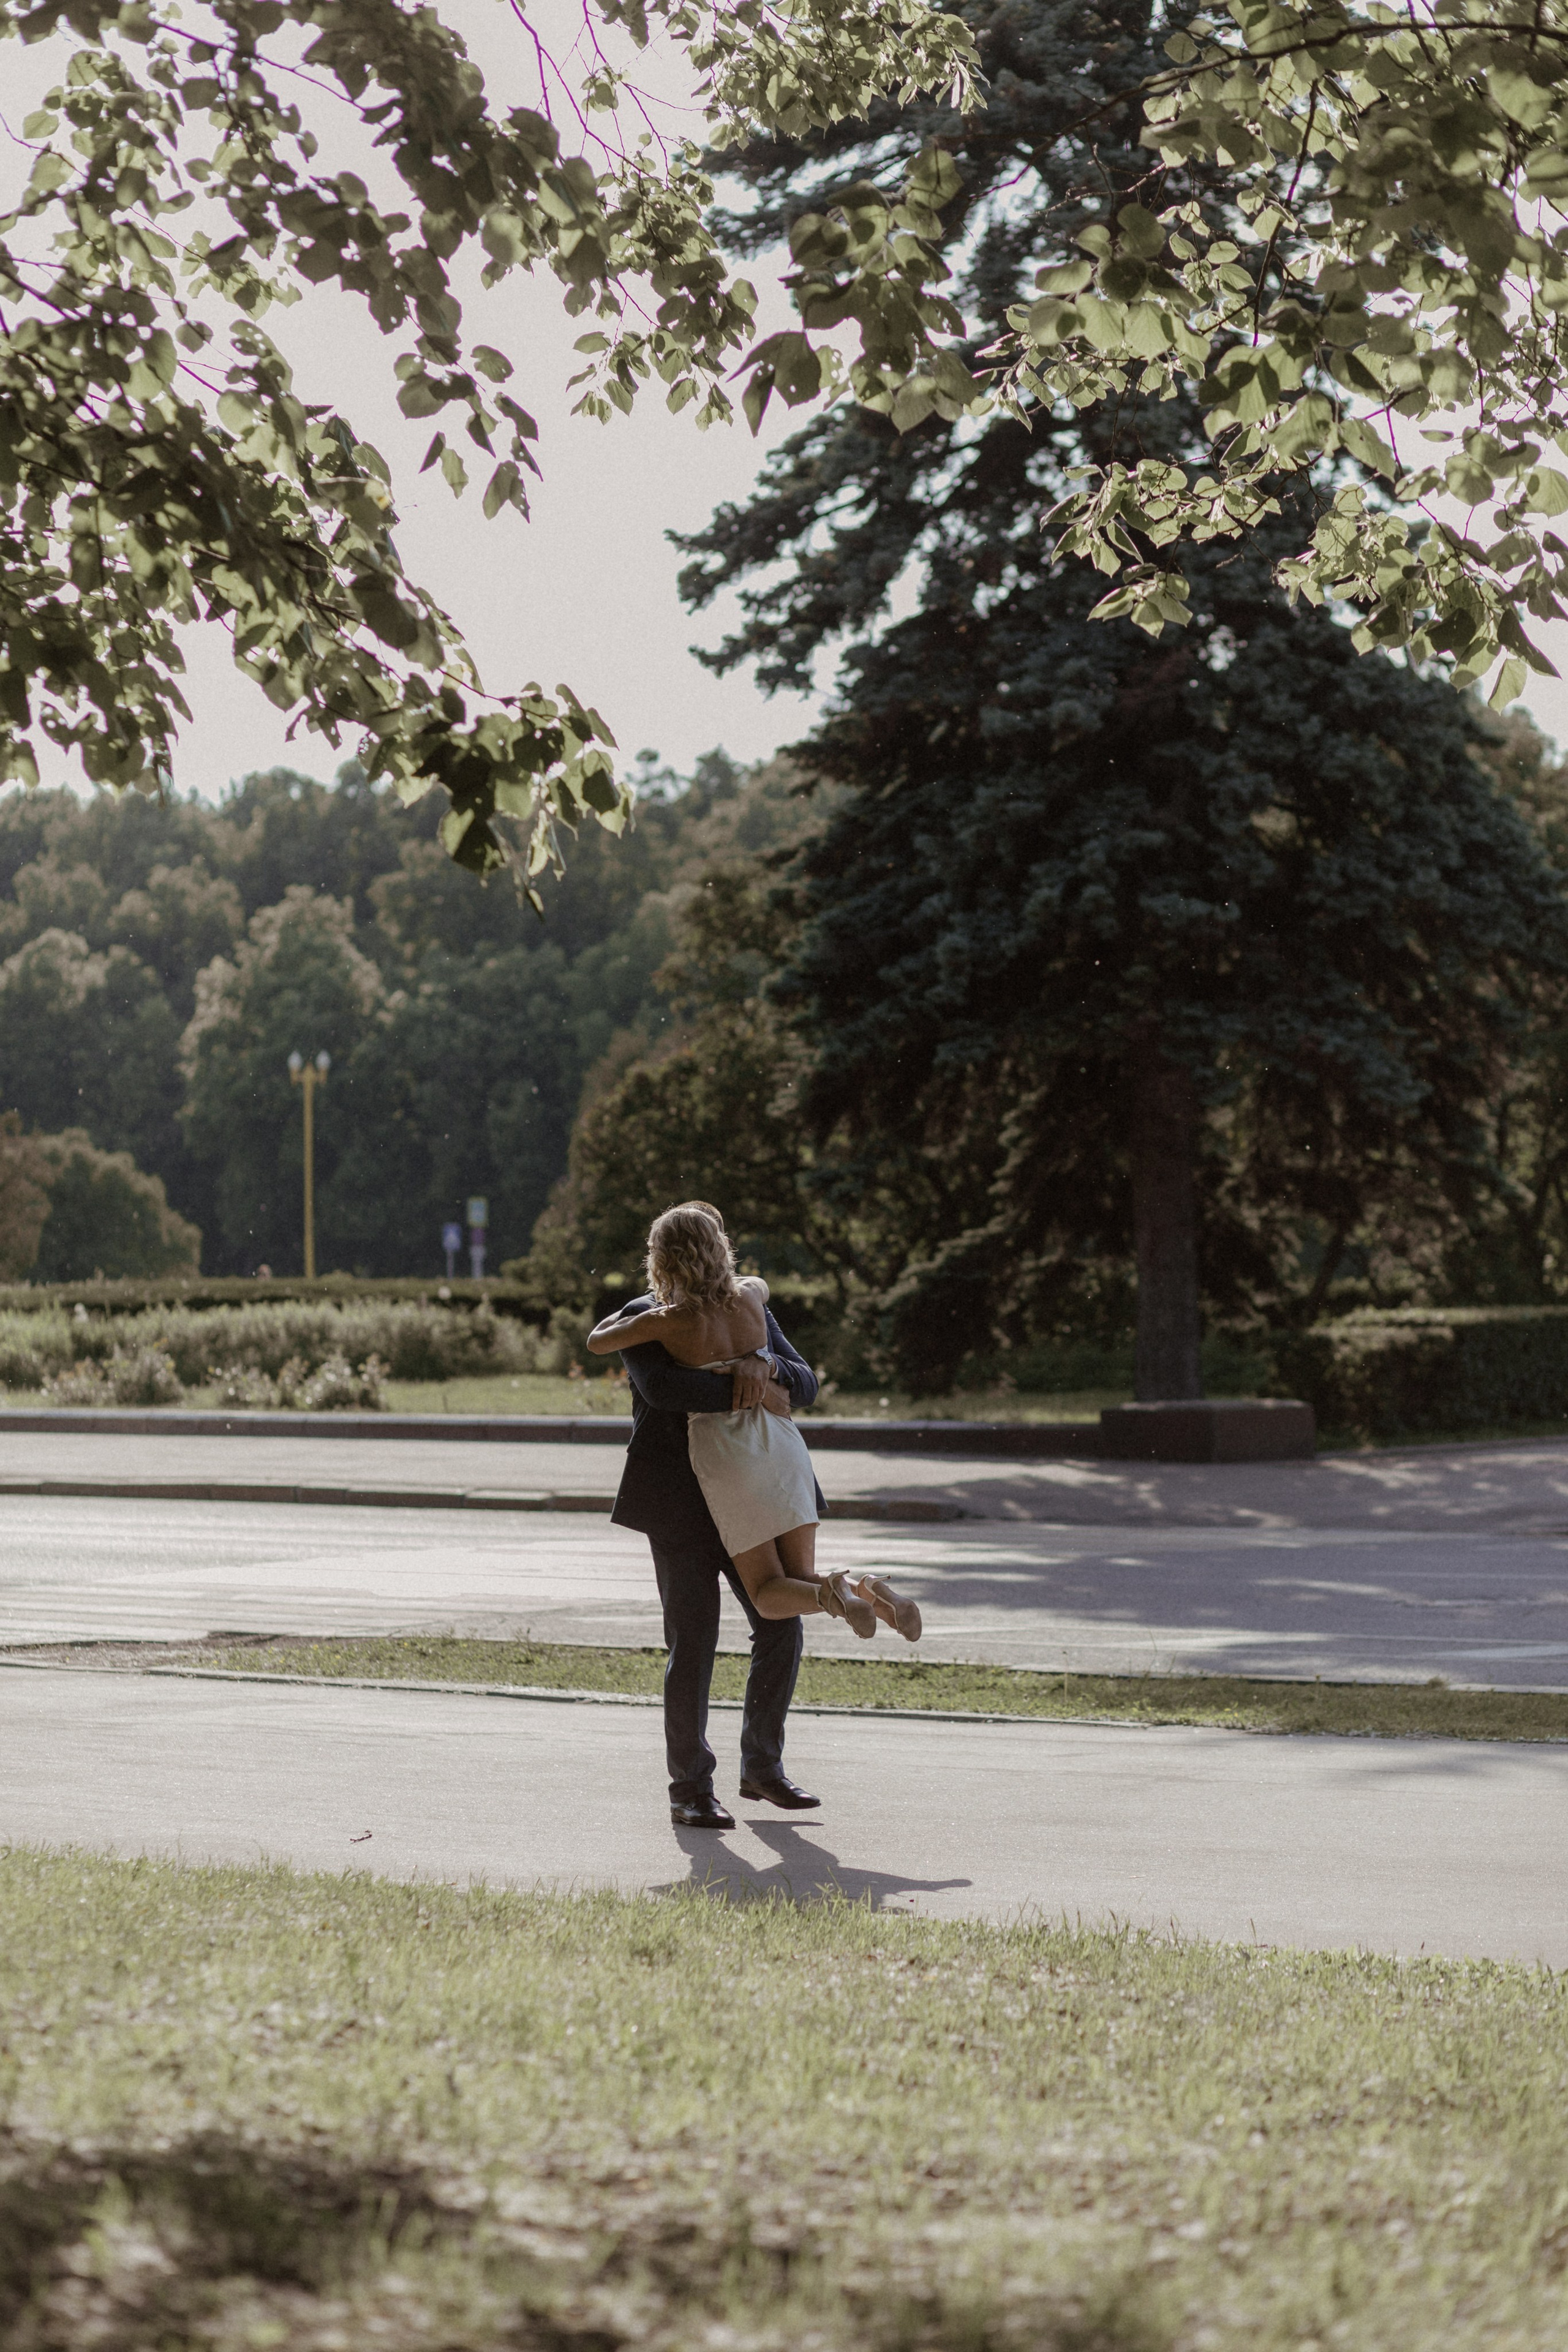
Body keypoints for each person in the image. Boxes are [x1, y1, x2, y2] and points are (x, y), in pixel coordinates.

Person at [596, 1202, 914, 1829]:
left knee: (780, 1626)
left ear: (658, 1256)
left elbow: (806, 1379)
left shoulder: (745, 1305)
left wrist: (768, 1367)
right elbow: (665, 1391)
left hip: (752, 1492)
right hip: (683, 1506)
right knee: (694, 1644)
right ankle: (689, 1788)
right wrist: (751, 1385)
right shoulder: (646, 1318)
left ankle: (762, 1769)